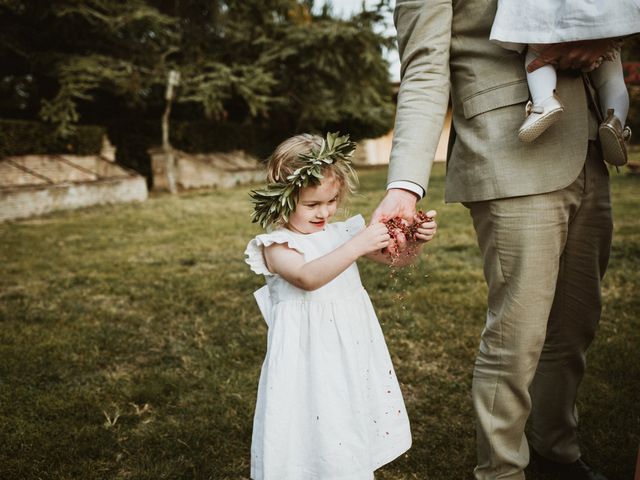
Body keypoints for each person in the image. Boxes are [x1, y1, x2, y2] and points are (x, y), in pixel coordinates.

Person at [371, 1, 622, 479]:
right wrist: (405, 185)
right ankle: (501, 471)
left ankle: (556, 455)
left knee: (574, 326)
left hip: (589, 147)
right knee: (517, 337)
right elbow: (424, 69)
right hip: (509, 149)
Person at [244, 132, 437, 480]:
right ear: (283, 199)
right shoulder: (276, 245)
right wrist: (357, 244)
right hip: (308, 358)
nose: (325, 212)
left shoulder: (341, 233)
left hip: (349, 348)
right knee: (315, 418)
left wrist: (414, 241)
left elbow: (398, 258)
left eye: (331, 201)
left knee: (346, 415)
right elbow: (306, 277)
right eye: (312, 205)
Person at [490, 1, 638, 165]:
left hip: (551, 15)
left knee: (538, 56)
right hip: (601, 19)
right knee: (612, 79)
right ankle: (616, 122)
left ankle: (544, 101)